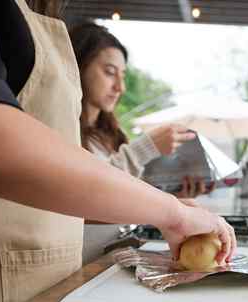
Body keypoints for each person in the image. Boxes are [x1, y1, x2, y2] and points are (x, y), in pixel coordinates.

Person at [0, 0, 235, 302]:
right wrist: (172, 212)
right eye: (109, 71)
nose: (119, 86)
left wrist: (166, 208)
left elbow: (57, 185)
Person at [69, 23, 207, 198]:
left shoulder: (112, 136)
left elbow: (123, 198)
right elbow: (86, 192)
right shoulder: (61, 129)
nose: (121, 87)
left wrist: (173, 194)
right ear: (78, 67)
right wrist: (147, 147)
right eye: (110, 72)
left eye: (122, 75)